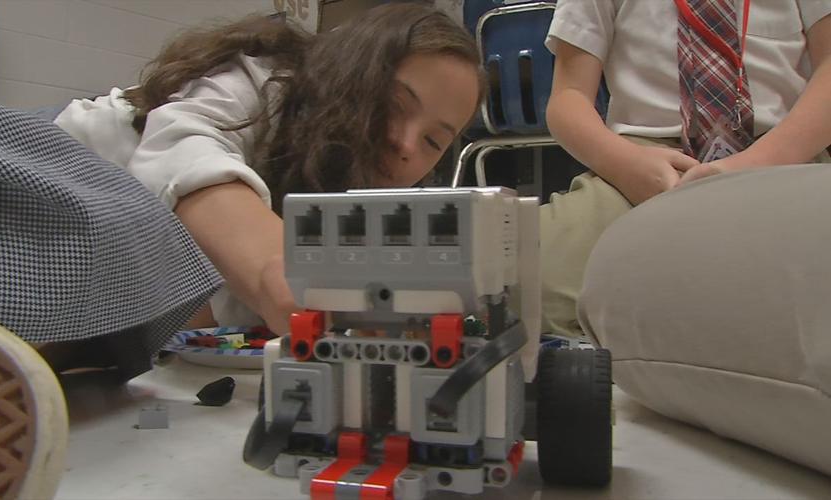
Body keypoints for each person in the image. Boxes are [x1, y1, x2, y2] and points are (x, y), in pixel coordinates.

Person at [54, 2, 483, 338]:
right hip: (54, 183)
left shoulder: (359, 205)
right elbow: (186, 151)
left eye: (432, 141)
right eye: (395, 105)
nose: (405, 144)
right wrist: (284, 269)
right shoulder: (264, 79)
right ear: (355, 75)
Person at [540, 0, 831, 476]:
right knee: (535, 279)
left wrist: (756, 164)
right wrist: (627, 164)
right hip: (645, 163)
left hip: (783, 153)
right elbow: (568, 98)